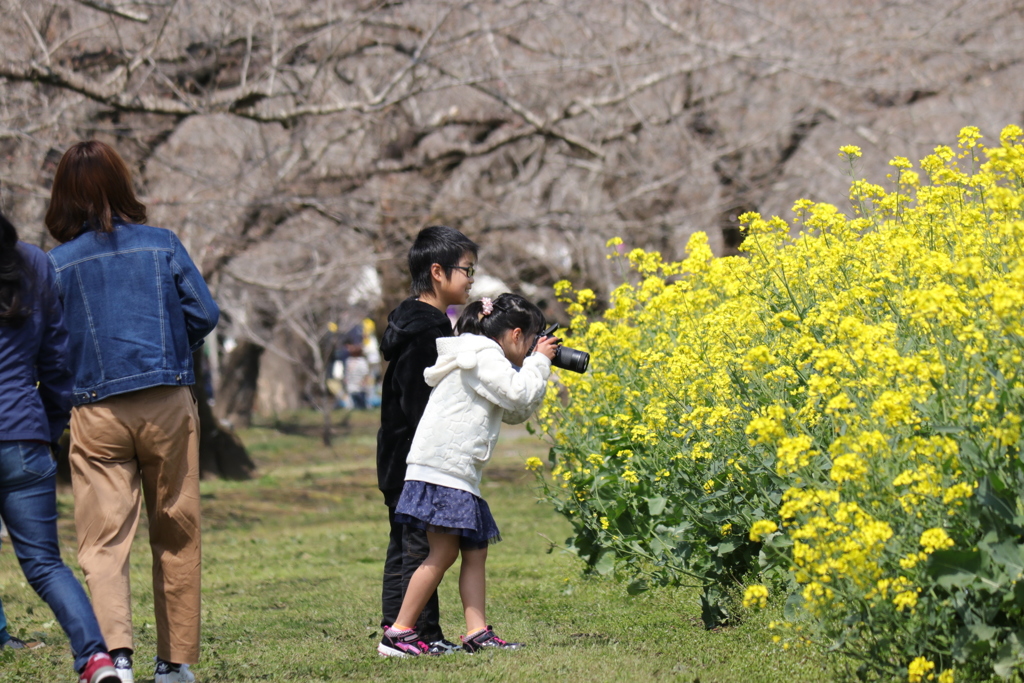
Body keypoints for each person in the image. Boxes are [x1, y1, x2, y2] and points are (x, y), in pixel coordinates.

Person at [45, 141, 220, 683]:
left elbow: (49, 344)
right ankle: (172, 664)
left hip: (94, 410)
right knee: (176, 530)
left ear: (63, 197)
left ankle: (115, 659)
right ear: (123, 185)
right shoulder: (163, 245)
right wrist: (167, 345)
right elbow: (206, 314)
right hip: (166, 399)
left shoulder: (53, 266)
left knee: (102, 539)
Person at [377, 294, 557, 657]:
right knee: (441, 555)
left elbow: (514, 409)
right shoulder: (483, 354)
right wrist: (539, 363)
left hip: (456, 472)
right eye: (532, 341)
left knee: (474, 551)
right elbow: (518, 393)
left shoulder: (480, 357)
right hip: (445, 471)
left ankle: (476, 632)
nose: (532, 349)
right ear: (516, 334)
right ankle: (398, 633)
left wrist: (535, 366)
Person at [0, 211, 120, 682]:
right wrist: (46, 427)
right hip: (25, 436)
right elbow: (56, 357)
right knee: (47, 565)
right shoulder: (32, 262)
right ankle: (96, 659)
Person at [377, 225, 478, 654]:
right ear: (438, 272)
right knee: (420, 547)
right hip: (414, 458)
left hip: (396, 455)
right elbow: (421, 402)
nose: (472, 278)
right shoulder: (426, 331)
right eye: (466, 270)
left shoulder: (416, 321)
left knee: (405, 545)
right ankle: (416, 635)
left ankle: (398, 628)